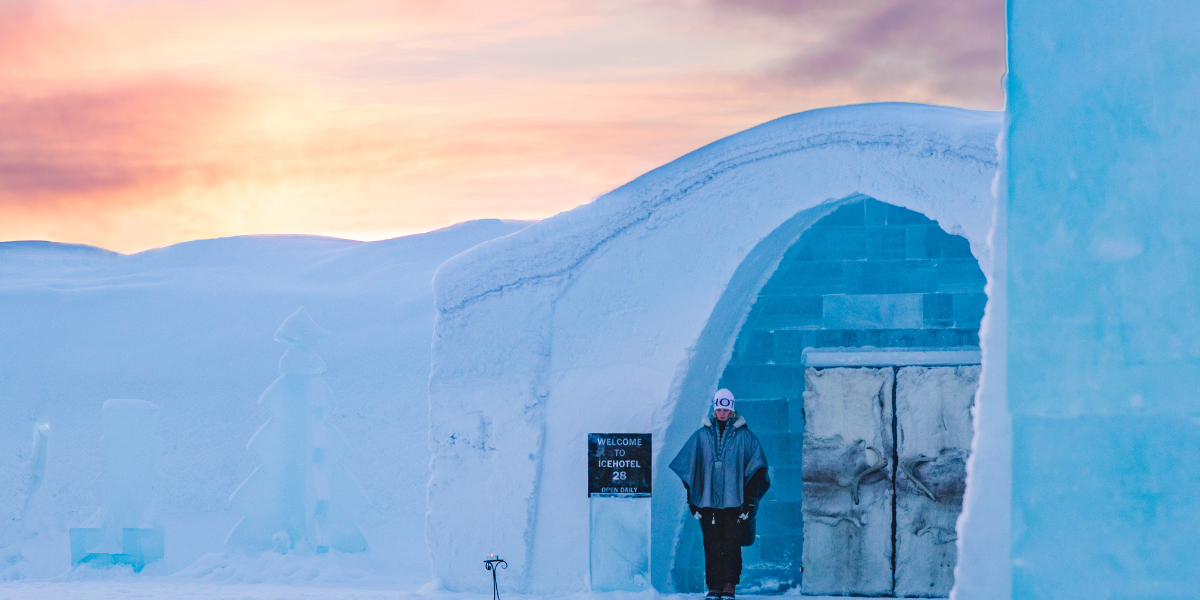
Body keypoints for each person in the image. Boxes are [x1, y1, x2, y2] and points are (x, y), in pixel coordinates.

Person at [670, 389, 770, 600]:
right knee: (711, 545)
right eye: (719, 408)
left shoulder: (745, 437)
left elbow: (756, 468)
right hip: (708, 504)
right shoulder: (701, 436)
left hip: (735, 503)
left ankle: (729, 586)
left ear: (732, 409)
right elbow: (689, 467)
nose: (722, 412)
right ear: (714, 409)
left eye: (726, 409)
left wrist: (749, 503)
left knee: (731, 545)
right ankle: (714, 587)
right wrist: (692, 502)